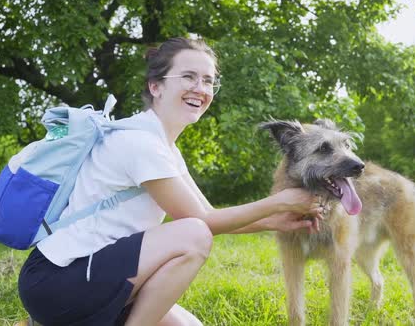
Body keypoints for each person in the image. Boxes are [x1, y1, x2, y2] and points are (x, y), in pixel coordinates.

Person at [17, 37, 322, 326]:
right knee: (194, 236)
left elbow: (209, 213)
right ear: (156, 86)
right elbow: (202, 224)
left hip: (95, 274)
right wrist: (281, 201)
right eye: (188, 77)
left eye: (207, 80)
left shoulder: (163, 146)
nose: (200, 88)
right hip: (59, 279)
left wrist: (274, 221)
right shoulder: (140, 143)